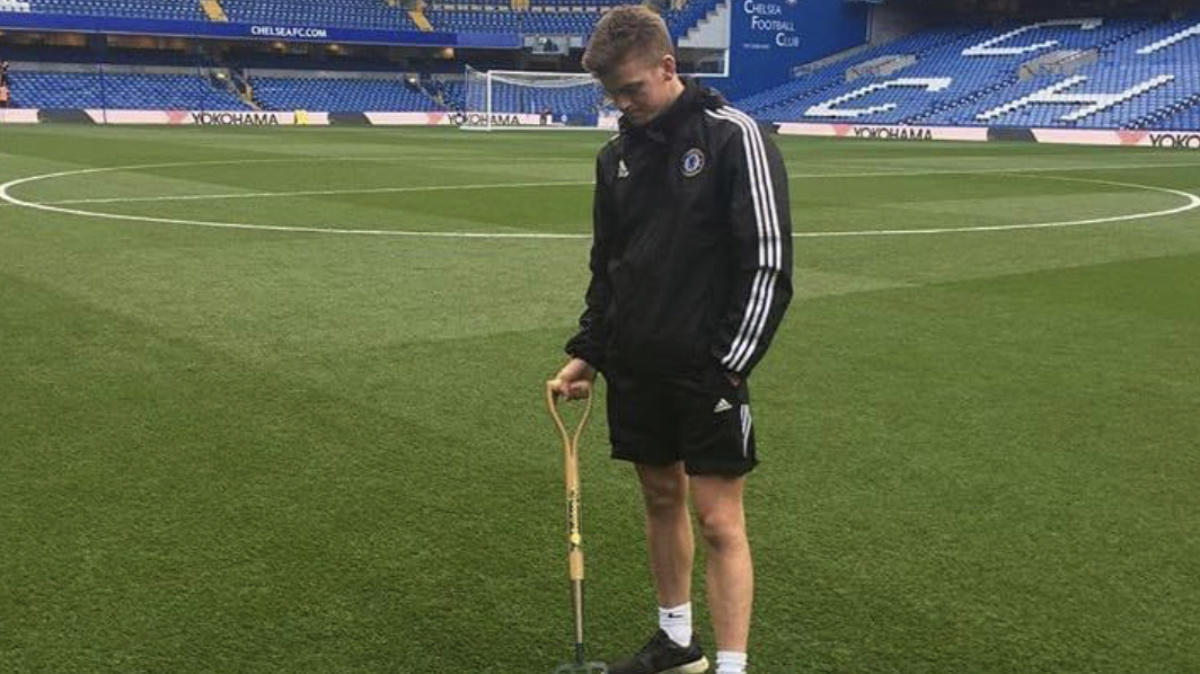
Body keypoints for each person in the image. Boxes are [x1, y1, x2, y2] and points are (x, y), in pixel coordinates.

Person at [548, 6, 793, 674]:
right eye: (614, 96)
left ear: (667, 66)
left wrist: (730, 365)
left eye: (634, 90)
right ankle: (676, 643)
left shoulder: (732, 136)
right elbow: (610, 267)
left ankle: (734, 667)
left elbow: (767, 262)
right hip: (636, 367)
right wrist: (588, 355)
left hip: (707, 371)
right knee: (661, 500)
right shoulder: (615, 156)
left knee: (718, 521)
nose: (626, 106)